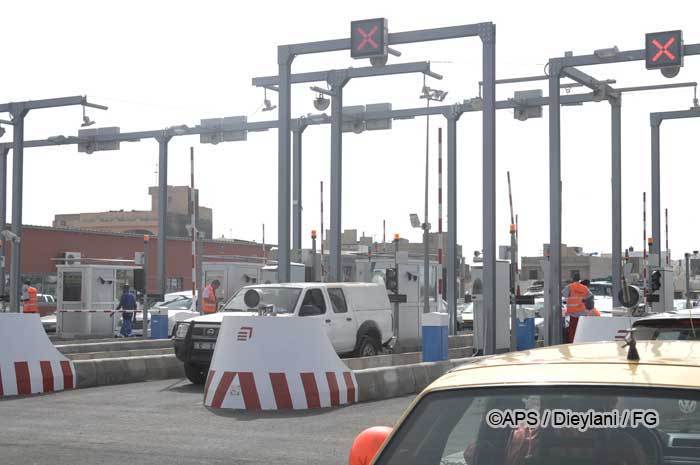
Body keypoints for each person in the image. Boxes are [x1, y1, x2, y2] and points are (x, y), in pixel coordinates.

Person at [562, 277, 593, 343]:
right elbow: (590, 296)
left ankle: (572, 342)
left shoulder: (570, 287)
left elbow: (563, 294)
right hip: (582, 312)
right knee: (581, 329)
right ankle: (581, 342)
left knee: (572, 330)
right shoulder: (584, 288)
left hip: (573, 313)